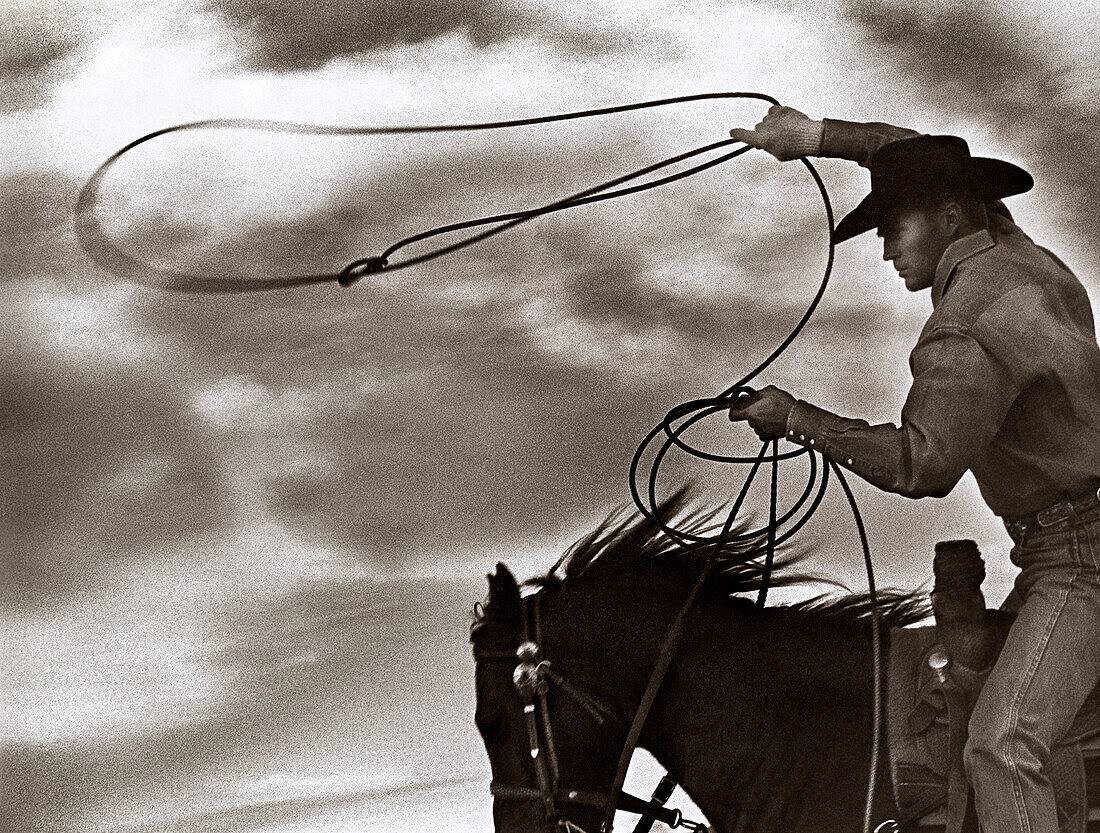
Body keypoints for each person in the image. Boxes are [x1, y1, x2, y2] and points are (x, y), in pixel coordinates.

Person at [725, 106, 1100, 833]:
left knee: (1000, 745)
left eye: (895, 227)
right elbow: (919, 157)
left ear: (951, 216)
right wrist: (814, 138)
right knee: (964, 705)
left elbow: (919, 463)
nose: (886, 248)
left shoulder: (965, 328)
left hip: (1082, 561)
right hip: (1064, 545)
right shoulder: (1017, 251)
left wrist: (797, 418)